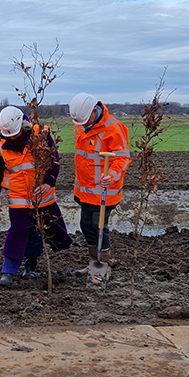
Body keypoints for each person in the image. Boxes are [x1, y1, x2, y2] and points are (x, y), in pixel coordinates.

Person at [0, 106, 72, 286]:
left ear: (23, 127)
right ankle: (8, 271)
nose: (12, 139)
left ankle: (30, 267)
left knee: (40, 230)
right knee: (19, 230)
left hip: (42, 195)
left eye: (15, 135)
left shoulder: (41, 135)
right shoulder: (1, 145)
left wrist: (47, 183)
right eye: (8, 136)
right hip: (18, 196)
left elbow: (54, 160)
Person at [69, 93, 130, 280]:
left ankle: (102, 267)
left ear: (95, 111)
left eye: (86, 121)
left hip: (104, 190)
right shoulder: (81, 126)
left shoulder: (113, 128)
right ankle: (93, 263)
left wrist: (111, 176)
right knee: (86, 225)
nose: (83, 125)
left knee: (99, 227)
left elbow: (122, 158)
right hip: (85, 190)